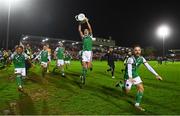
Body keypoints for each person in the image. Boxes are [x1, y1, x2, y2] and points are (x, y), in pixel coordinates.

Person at [116, 45, 163, 111]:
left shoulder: (142, 58)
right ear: (133, 51)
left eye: (139, 50)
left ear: (140, 51)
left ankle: (137, 105)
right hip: (128, 76)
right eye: (136, 50)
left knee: (141, 89)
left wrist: (156, 75)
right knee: (127, 92)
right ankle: (121, 85)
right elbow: (129, 69)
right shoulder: (130, 59)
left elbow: (148, 67)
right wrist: (130, 78)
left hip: (136, 75)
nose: (137, 51)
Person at [78, 17, 94, 84]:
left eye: (86, 31)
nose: (85, 31)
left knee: (88, 66)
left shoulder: (90, 36)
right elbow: (79, 30)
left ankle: (82, 75)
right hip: (84, 52)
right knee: (84, 67)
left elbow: (90, 28)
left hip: (89, 53)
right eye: (84, 31)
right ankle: (83, 76)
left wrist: (87, 21)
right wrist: (80, 23)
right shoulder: (83, 37)